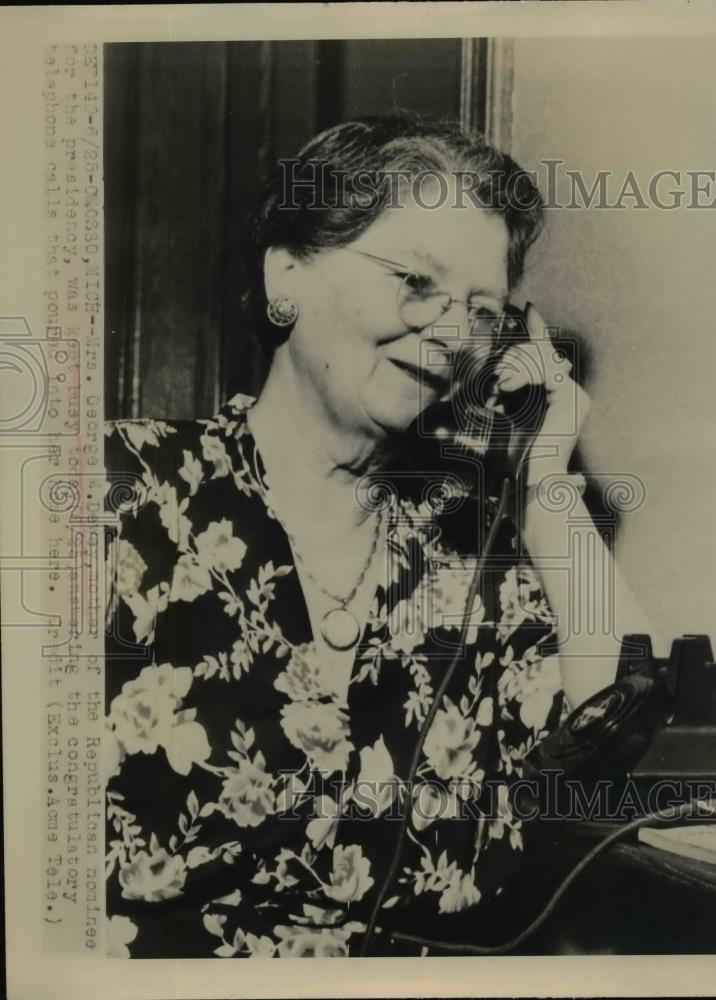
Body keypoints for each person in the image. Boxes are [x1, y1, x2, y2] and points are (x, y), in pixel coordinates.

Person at [103, 114, 651, 958]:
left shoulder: (470, 551)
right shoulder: (120, 494)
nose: (448, 333)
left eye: (483, 312)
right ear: (287, 271)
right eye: (415, 282)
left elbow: (604, 732)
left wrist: (544, 478)